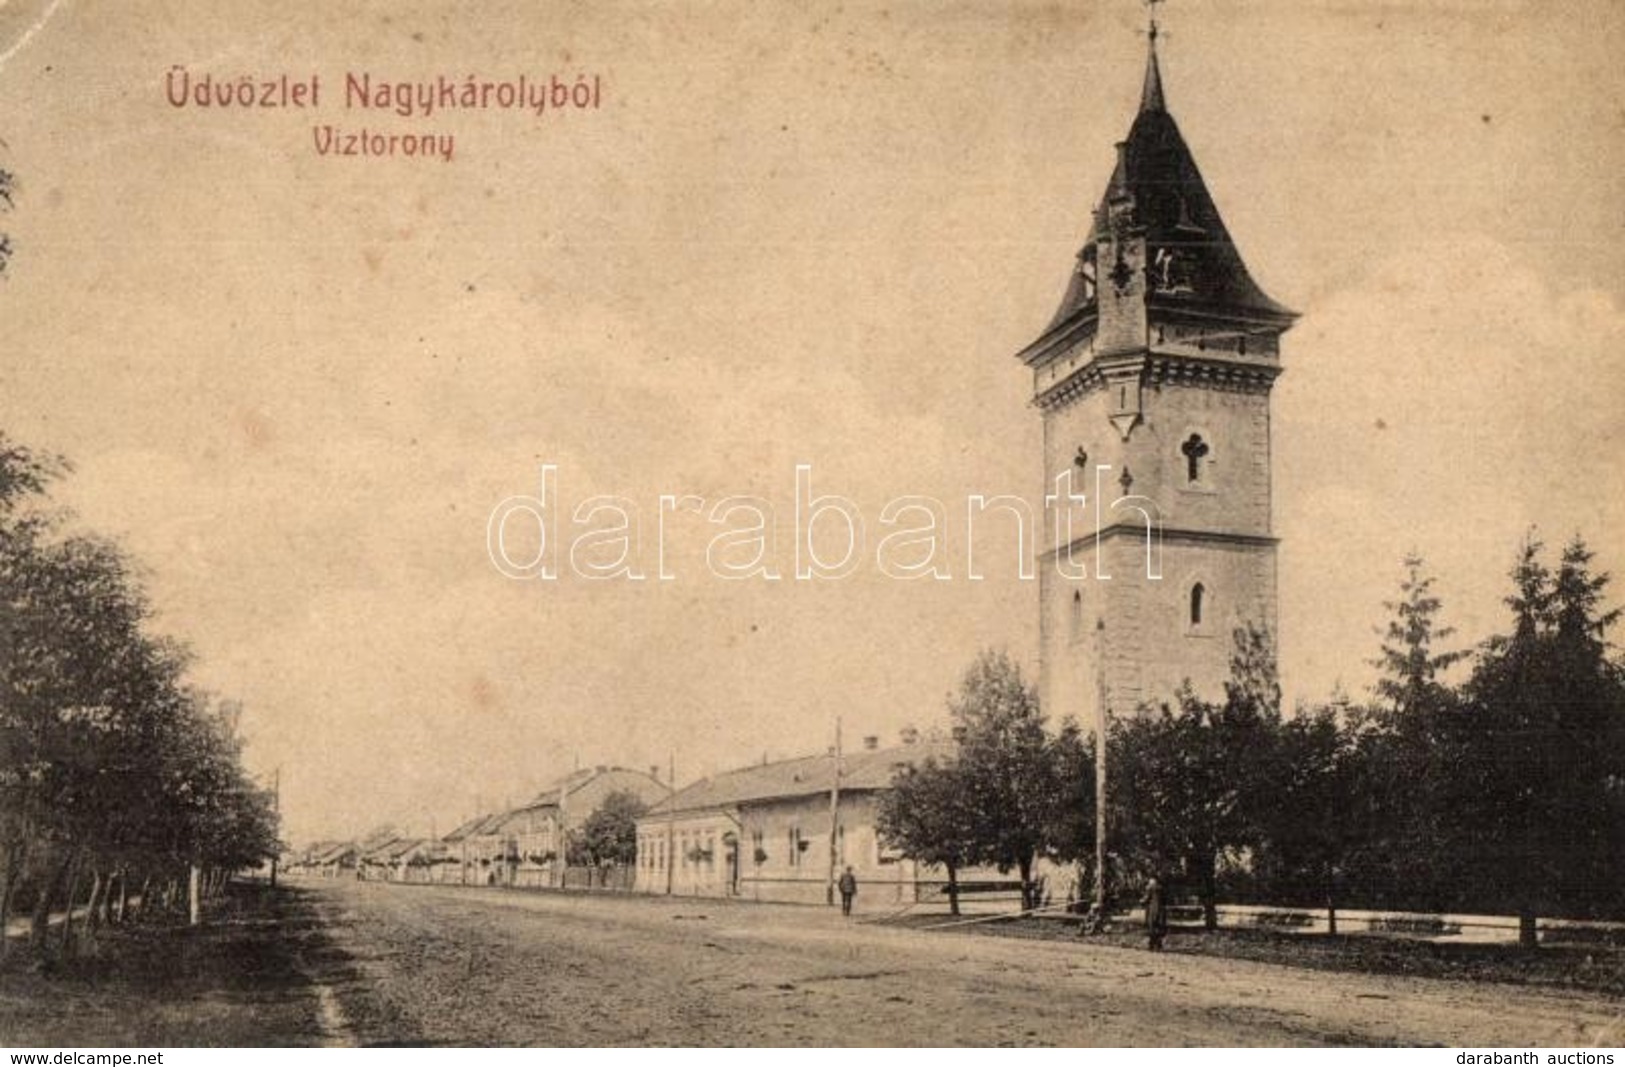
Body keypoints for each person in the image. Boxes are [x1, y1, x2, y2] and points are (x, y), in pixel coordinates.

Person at [1143, 876, 1168, 951]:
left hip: (1152, 910)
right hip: (1161, 910)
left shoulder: (1150, 889)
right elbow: (1165, 900)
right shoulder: (1162, 889)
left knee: (1152, 927)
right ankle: (1158, 945)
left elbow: (1146, 899)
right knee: (1159, 927)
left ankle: (1151, 945)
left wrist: (1141, 901)